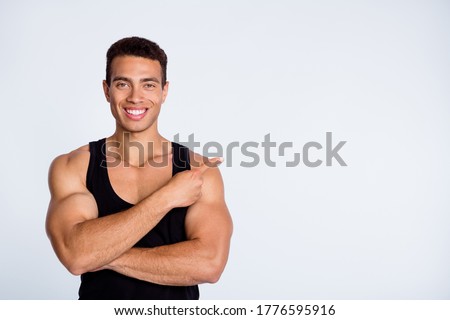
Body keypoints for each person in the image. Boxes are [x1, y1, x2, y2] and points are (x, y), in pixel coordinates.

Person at [45, 36, 233, 299]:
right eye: (123, 84)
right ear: (107, 90)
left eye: (149, 85)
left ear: (164, 91)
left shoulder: (199, 170)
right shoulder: (74, 166)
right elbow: (76, 256)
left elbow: (209, 265)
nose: (135, 97)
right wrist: (166, 198)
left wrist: (102, 255)